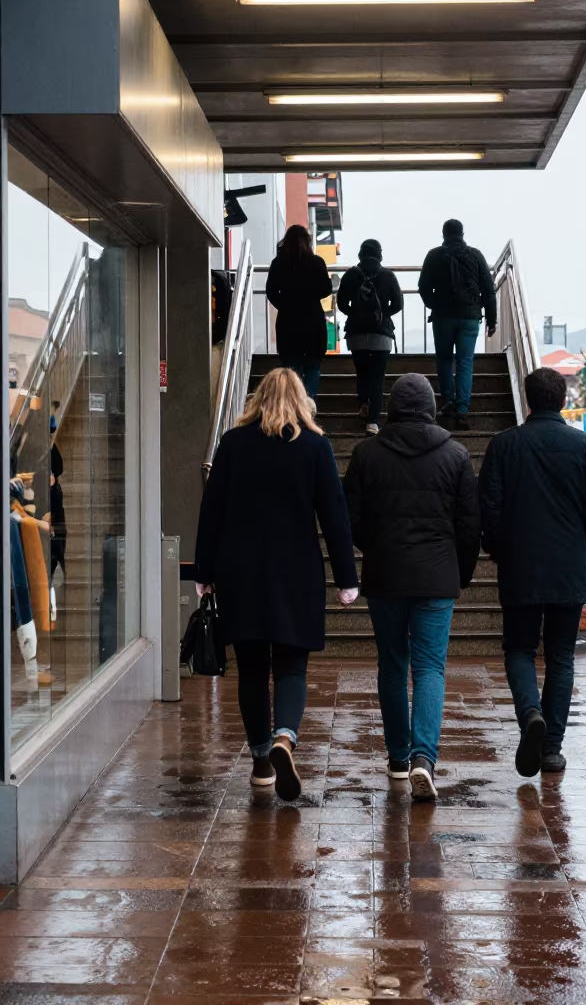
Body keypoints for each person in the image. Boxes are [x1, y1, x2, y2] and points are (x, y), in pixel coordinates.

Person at [195, 367, 358, 800]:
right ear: (302, 400)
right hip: (296, 571)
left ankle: (262, 762)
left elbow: (210, 513)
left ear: (257, 399)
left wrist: (204, 573)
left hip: (240, 573)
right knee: (291, 665)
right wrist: (347, 578)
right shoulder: (315, 447)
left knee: (250, 669)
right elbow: (334, 517)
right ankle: (285, 736)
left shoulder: (231, 444)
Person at [343, 373, 481, 800]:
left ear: (393, 406)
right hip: (437, 578)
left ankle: (398, 758)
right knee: (429, 669)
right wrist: (460, 573)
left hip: (385, 575)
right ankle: (425, 757)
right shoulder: (456, 455)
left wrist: (375, 547)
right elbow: (469, 525)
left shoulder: (366, 454)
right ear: (431, 406)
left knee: (391, 665)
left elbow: (351, 518)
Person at [477, 367, 586, 778]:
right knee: (560, 656)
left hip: (520, 566)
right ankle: (552, 749)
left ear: (527, 399)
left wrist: (499, 546)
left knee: (519, 648)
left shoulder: (503, 446)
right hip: (568, 568)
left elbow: (489, 507)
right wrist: (581, 536)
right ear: (562, 400)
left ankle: (529, 714)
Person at [418, 219, 497, 430]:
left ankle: (448, 401)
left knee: (444, 359)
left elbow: (423, 286)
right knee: (465, 362)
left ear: (443, 234)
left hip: (443, 316)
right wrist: (492, 318)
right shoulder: (475, 255)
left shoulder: (434, 255)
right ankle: (462, 409)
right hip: (470, 316)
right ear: (462, 234)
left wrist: (433, 304)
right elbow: (488, 289)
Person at [336, 239, 403, 436]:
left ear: (360, 254)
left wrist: (355, 314)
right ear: (379, 255)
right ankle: (373, 421)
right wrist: (382, 314)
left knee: (362, 371)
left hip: (356, 334)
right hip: (381, 335)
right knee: (377, 377)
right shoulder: (387, 275)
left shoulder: (350, 275)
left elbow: (341, 303)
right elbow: (398, 304)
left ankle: (363, 403)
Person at [266, 225, 332, 399]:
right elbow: (326, 289)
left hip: (288, 324)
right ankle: (308, 410)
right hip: (313, 323)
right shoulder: (316, 262)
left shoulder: (278, 263)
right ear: (308, 241)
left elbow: (271, 292)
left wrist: (286, 304)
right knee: (312, 368)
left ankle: (293, 410)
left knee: (291, 371)